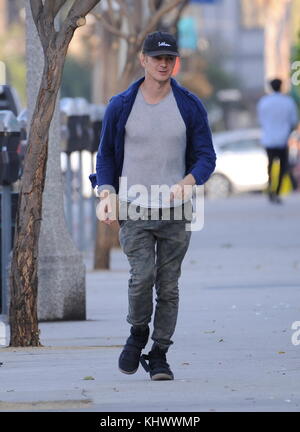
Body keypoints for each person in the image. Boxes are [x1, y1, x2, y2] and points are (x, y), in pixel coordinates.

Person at [89, 31, 216, 381]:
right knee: (141, 277)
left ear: (174, 63)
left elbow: (207, 156)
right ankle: (137, 332)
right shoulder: (122, 104)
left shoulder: (189, 105)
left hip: (176, 210)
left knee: (169, 284)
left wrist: (188, 182)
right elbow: (106, 156)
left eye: (169, 59)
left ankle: (159, 352)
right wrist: (106, 194)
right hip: (133, 207)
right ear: (143, 60)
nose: (163, 64)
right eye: (156, 58)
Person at [257, 78, 298, 204]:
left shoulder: (264, 102)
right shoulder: (288, 102)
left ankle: (270, 189)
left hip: (269, 139)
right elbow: (293, 121)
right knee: (282, 167)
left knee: (270, 165)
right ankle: (277, 192)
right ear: (281, 87)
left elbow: (261, 120)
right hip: (283, 139)